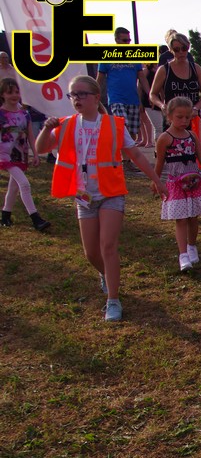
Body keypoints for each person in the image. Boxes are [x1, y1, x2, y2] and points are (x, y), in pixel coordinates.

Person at [34, 75, 163, 322]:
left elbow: (135, 154)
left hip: (111, 194)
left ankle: (113, 300)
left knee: (107, 246)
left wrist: (157, 180)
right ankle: (107, 275)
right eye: (73, 94)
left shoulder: (113, 125)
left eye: (82, 94)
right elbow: (41, 148)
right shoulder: (66, 125)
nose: (77, 98)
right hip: (84, 197)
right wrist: (47, 129)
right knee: (91, 253)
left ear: (96, 97)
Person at [155, 97, 201, 272]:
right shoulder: (165, 138)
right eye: (179, 117)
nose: (184, 121)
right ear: (169, 116)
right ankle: (183, 255)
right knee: (180, 219)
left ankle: (192, 246)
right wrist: (156, 181)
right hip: (176, 184)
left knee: (193, 217)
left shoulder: (192, 136)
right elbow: (159, 163)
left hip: (193, 183)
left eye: (187, 117)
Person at [95, 28, 149, 166]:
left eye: (129, 40)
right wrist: (94, 94)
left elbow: (141, 77)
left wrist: (150, 94)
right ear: (116, 40)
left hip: (132, 99)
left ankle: (127, 159)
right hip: (116, 99)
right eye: (124, 40)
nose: (127, 43)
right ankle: (123, 159)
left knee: (132, 130)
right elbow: (100, 78)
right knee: (121, 126)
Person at [0, 78, 47, 230]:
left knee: (13, 187)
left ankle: (5, 215)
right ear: (2, 95)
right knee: (24, 184)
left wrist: (35, 153)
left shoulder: (25, 114)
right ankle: (36, 218)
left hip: (21, 154)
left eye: (17, 92)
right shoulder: (1, 114)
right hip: (5, 155)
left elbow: (31, 136)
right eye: (9, 92)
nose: (14, 95)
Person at [149, 31, 201, 131]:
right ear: (171, 50)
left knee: (194, 140)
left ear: (188, 47)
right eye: (176, 49)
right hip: (172, 120)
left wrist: (196, 108)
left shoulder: (196, 68)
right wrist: (162, 105)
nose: (181, 52)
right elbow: (152, 94)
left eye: (184, 48)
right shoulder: (164, 70)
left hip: (192, 119)